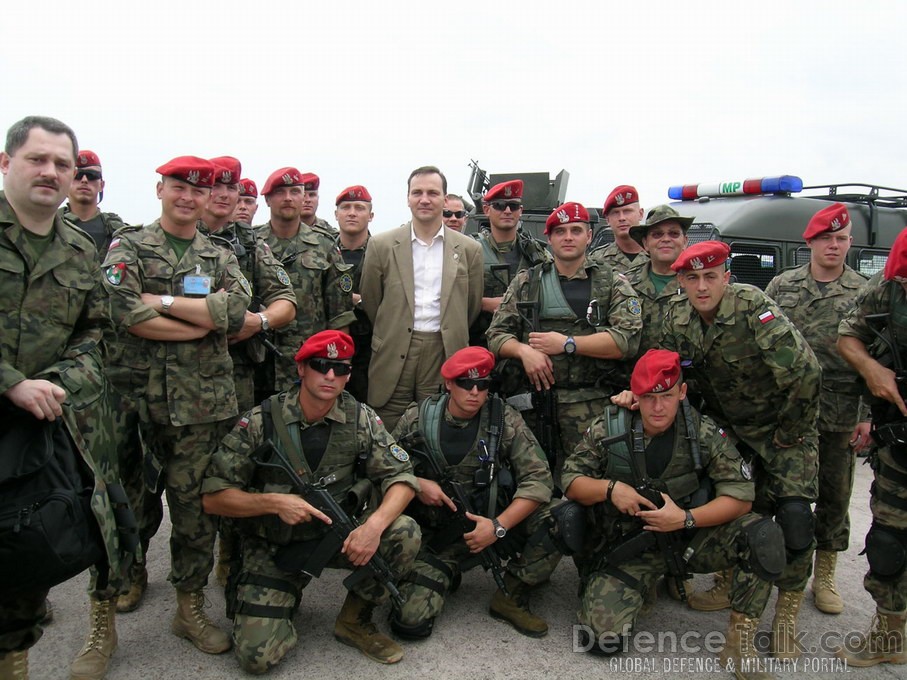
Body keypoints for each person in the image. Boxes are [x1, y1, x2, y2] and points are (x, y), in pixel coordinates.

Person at [101, 155, 252, 656]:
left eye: (198, 189)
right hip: (134, 400)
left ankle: (189, 605)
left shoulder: (220, 255)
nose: (188, 196)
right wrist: (200, 323)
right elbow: (123, 311)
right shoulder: (129, 246)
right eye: (178, 187)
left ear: (209, 198)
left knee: (193, 509)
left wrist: (163, 303)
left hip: (201, 405)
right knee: (129, 501)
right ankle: (127, 577)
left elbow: (235, 311)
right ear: (160, 189)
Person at [201, 330, 421, 674]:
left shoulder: (360, 417)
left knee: (404, 532)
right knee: (257, 658)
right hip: (273, 545)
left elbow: (403, 478)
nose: (331, 375)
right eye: (321, 365)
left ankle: (353, 620)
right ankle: (279, 598)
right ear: (301, 369)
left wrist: (373, 528)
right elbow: (213, 498)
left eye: (340, 368)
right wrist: (274, 503)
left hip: (337, 536)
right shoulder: (262, 420)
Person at [0, 116, 134, 680]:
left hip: (59, 417)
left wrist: (55, 380)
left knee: (62, 534)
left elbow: (96, 331)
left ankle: (31, 654)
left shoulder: (80, 250)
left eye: (63, 164)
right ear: (6, 163)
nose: (51, 172)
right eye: (38, 159)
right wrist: (11, 382)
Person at [563, 349, 784, 679]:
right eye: (649, 397)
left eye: (666, 395)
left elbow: (741, 496)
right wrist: (610, 489)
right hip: (630, 548)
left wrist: (685, 518)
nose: (658, 407)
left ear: (682, 392)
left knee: (762, 535)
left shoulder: (701, 432)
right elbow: (570, 480)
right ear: (635, 395)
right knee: (601, 640)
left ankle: (740, 644)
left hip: (688, 540)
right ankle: (643, 584)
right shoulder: (610, 427)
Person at [660, 240, 821, 660]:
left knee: (795, 518)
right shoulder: (677, 317)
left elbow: (805, 373)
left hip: (781, 427)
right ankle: (731, 584)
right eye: (691, 278)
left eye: (710, 276)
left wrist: (789, 431)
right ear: (680, 280)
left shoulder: (753, 308)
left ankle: (785, 617)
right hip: (729, 432)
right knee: (732, 510)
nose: (701, 286)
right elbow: (668, 371)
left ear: (726, 278)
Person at [389, 347, 561, 639]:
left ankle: (512, 593)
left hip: (491, 527)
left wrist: (498, 527)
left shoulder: (504, 419)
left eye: (483, 385)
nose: (475, 392)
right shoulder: (417, 418)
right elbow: (385, 470)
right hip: (438, 538)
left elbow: (539, 479)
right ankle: (444, 572)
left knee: (561, 517)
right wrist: (416, 484)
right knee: (410, 624)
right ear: (448, 384)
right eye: (465, 384)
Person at [486, 201, 642, 483]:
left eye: (576, 230)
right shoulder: (527, 282)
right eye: (560, 231)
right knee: (534, 482)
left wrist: (568, 343)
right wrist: (523, 351)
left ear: (589, 236)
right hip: (535, 407)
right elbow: (496, 336)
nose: (568, 237)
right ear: (549, 238)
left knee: (592, 483)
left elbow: (626, 341)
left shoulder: (612, 283)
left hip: (593, 406)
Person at [765, 203, 870, 615]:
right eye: (826, 238)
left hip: (840, 411)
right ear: (809, 242)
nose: (834, 245)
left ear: (850, 243)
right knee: (773, 491)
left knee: (834, 495)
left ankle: (822, 575)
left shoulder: (865, 291)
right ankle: (757, 564)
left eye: (841, 239)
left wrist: (867, 416)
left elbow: (873, 356)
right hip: (788, 410)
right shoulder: (782, 286)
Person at [360, 165, 484, 431]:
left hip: (443, 350)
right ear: (407, 198)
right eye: (417, 192)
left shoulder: (470, 250)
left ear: (444, 198)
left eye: (432, 192)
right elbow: (372, 300)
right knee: (387, 427)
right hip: (393, 349)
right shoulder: (381, 246)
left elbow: (471, 306)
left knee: (435, 426)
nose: (424, 199)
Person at [835, 228, 907, 667]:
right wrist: (872, 370)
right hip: (900, 442)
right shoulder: (888, 292)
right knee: (888, 541)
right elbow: (848, 336)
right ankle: (890, 633)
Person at [201, 156, 296, 413]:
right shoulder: (179, 236)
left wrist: (259, 321)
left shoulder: (250, 244)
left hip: (236, 371)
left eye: (231, 188)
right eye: (215, 186)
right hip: (178, 367)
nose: (223, 195)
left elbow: (286, 299)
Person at [255, 167, 355, 397]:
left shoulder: (325, 246)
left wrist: (337, 365)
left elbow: (340, 315)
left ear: (304, 197)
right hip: (258, 361)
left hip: (310, 365)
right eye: (280, 192)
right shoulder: (252, 244)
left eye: (295, 191)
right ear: (268, 199)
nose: (288, 198)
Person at [469, 180, 550, 347]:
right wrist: (484, 304)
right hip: (479, 342)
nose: (507, 211)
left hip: (526, 343)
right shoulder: (470, 250)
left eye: (513, 206)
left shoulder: (536, 253)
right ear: (486, 210)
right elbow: (450, 297)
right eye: (499, 205)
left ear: (520, 211)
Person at [624, 205, 691, 361]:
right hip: (629, 379)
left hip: (682, 380)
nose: (666, 239)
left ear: (685, 241)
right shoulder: (625, 284)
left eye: (674, 234)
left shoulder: (698, 285)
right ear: (646, 243)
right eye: (657, 234)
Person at [334, 184, 374, 403]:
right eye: (345, 207)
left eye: (359, 207)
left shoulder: (384, 253)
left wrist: (360, 301)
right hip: (331, 346)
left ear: (371, 215)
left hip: (371, 348)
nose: (351, 213)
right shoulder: (322, 252)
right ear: (336, 214)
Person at [61, 149, 128, 253]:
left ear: (102, 185)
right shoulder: (50, 225)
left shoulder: (117, 231)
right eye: (77, 175)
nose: (84, 180)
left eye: (92, 175)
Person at [588, 185, 648, 272]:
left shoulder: (660, 255)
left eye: (627, 211)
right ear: (607, 219)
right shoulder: (595, 261)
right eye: (615, 213)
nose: (622, 218)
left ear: (641, 214)